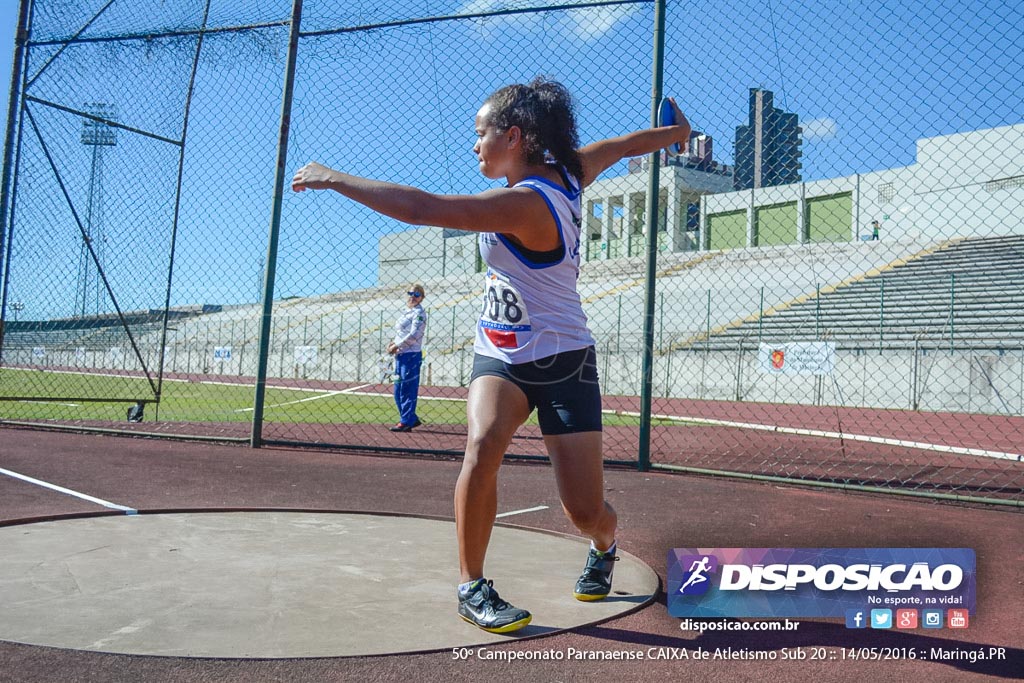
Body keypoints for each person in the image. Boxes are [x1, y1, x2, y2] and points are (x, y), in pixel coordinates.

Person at [292, 77, 691, 634]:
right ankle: (471, 586)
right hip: (500, 353)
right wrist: (676, 132)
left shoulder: (524, 203)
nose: (474, 145)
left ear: (514, 136)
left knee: (584, 512)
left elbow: (419, 208)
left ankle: (604, 544)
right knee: (481, 444)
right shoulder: (572, 169)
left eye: (480, 134)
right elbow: (625, 145)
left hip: (564, 360)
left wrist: (333, 177)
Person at [386, 284, 428, 432]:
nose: (412, 296)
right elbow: (401, 333)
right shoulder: (406, 312)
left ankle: (406, 421)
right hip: (401, 355)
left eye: (417, 294)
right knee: (398, 389)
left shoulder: (419, 313)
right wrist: (393, 343)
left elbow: (415, 334)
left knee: (407, 388)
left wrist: (397, 345)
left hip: (411, 355)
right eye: (410, 293)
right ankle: (410, 417)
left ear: (422, 298)